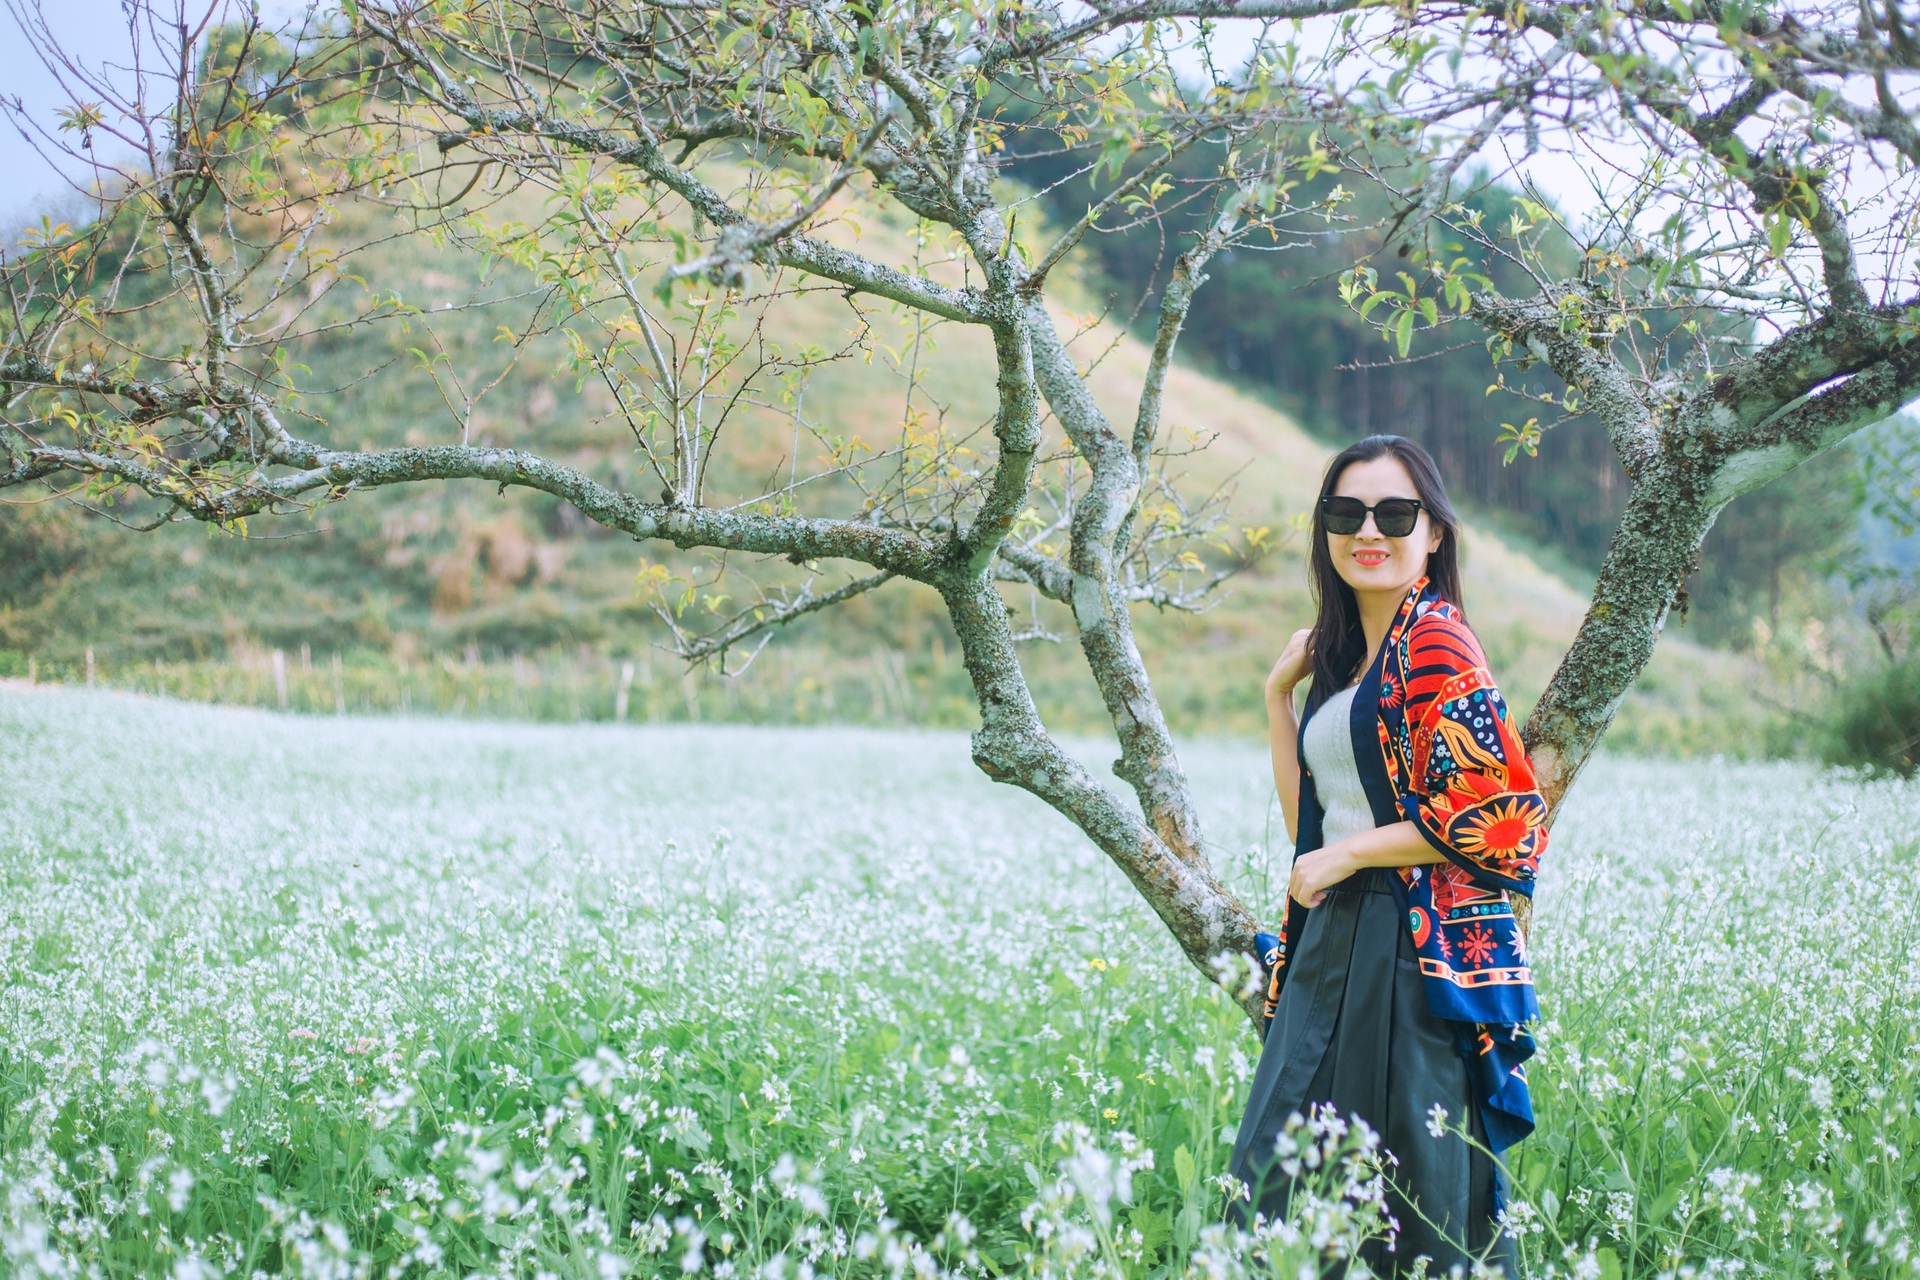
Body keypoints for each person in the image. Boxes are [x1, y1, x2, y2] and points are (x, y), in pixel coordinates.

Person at [1226, 435, 1547, 1277]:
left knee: (1402, 1205)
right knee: (1286, 1183)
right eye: (1345, 512)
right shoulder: (1350, 658)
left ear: (1433, 533)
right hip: (1335, 943)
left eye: (1394, 513)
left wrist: (1349, 858)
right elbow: (1315, 824)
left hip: (1403, 949)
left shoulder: (1437, 641)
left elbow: (1502, 815)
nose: (1368, 530)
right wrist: (1276, 699)